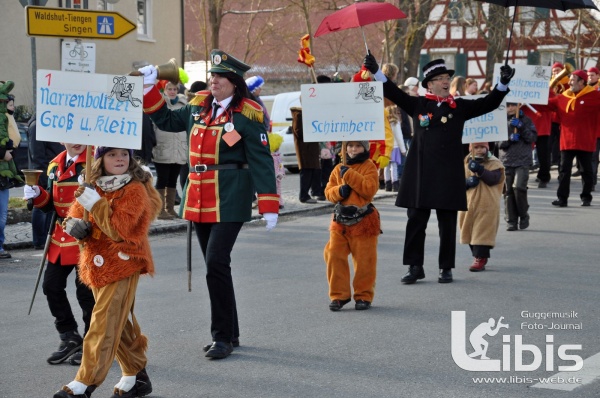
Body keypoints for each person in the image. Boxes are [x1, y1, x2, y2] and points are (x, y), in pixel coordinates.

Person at [140, 49, 279, 359]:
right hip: (198, 196)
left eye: (219, 77)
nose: (213, 81)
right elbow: (165, 119)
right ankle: (231, 332)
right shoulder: (197, 108)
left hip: (230, 197)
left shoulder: (248, 114)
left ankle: (221, 337)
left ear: (233, 82)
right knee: (216, 266)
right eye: (213, 76)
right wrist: (150, 88)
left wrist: (269, 203)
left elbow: (261, 160)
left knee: (216, 262)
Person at [363, 55, 513, 284]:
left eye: (447, 78)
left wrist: (502, 85)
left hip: (448, 173)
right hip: (421, 174)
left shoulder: (460, 106)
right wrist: (376, 72)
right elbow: (393, 92)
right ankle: (415, 267)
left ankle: (446, 267)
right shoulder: (418, 104)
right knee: (415, 221)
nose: (445, 82)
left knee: (447, 223)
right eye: (440, 78)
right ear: (429, 84)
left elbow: (489, 104)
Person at [52, 147, 161, 398]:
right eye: (112, 155)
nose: (120, 159)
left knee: (102, 321)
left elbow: (119, 231)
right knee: (116, 321)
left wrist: (97, 204)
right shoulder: (91, 185)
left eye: (124, 154)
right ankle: (137, 377)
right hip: (95, 264)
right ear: (100, 160)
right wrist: (73, 225)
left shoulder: (134, 188)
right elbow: (73, 216)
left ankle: (84, 383)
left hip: (124, 263)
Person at [23, 144, 95, 366]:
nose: (75, 141)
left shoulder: (94, 159)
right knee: (51, 286)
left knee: (86, 295)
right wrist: (37, 195)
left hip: (88, 235)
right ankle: (69, 336)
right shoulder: (55, 163)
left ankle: (92, 344)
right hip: (61, 236)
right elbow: (50, 205)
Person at [324, 141, 380, 311]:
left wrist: (349, 175)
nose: (354, 149)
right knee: (333, 255)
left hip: (364, 221)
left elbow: (369, 189)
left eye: (358, 146)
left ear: (364, 148)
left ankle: (363, 296)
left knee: (365, 261)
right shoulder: (338, 168)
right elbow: (328, 192)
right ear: (345, 148)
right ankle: (339, 295)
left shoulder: (369, 166)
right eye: (350, 146)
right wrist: (339, 191)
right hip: (340, 220)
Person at [537, 69, 600, 207]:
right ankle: (562, 198)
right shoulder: (562, 97)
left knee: (586, 171)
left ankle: (586, 197)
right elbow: (544, 104)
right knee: (564, 171)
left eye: (573, 80)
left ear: (582, 82)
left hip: (586, 140)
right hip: (567, 141)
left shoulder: (595, 96)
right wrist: (529, 97)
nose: (570, 82)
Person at [459, 142, 505, 271]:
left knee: (482, 231)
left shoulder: (494, 162)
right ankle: (477, 254)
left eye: (482, 147)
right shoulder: (465, 161)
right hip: (468, 203)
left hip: (487, 204)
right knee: (470, 232)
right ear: (470, 148)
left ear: (487, 148)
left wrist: (480, 170)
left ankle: (480, 258)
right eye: (476, 147)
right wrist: (466, 183)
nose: (479, 150)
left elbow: (494, 179)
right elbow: (455, 181)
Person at [27, 115, 65, 249]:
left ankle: (47, 238)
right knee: (40, 209)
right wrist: (43, 178)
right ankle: (39, 240)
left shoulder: (48, 124)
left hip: (53, 172)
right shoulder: (37, 126)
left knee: (50, 209)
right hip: (44, 173)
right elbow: (37, 155)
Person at [153, 80, 188, 219]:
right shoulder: (161, 104)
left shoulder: (184, 104)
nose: (172, 91)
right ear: (165, 90)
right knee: (162, 179)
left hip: (179, 146)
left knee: (173, 179)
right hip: (163, 146)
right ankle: (160, 210)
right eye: (169, 89)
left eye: (174, 89)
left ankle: (170, 208)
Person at [499, 103, 537, 231]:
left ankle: (523, 215)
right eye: (508, 106)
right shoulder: (501, 121)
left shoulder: (526, 120)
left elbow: (532, 137)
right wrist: (509, 139)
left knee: (519, 187)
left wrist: (521, 127)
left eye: (513, 105)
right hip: (506, 160)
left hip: (522, 160)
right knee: (508, 192)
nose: (510, 108)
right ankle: (511, 221)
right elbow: (497, 143)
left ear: (518, 106)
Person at [291, 106, 323, 203]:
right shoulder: (299, 114)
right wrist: (313, 131)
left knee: (314, 171)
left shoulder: (308, 112)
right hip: (305, 149)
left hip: (311, 148)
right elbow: (298, 131)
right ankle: (303, 195)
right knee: (306, 172)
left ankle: (314, 192)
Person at [384, 102, 406, 192]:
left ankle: (387, 184)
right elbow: (399, 137)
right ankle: (395, 184)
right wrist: (403, 149)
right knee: (394, 166)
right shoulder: (395, 123)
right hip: (394, 146)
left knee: (386, 166)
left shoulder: (384, 123)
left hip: (385, 146)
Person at [269, 131, 286, 209]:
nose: (279, 147)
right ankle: (273, 202)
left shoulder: (278, 156)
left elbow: (281, 165)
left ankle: (279, 202)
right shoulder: (269, 157)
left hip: (278, 176)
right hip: (271, 176)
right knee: (271, 189)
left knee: (278, 189)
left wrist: (281, 173)